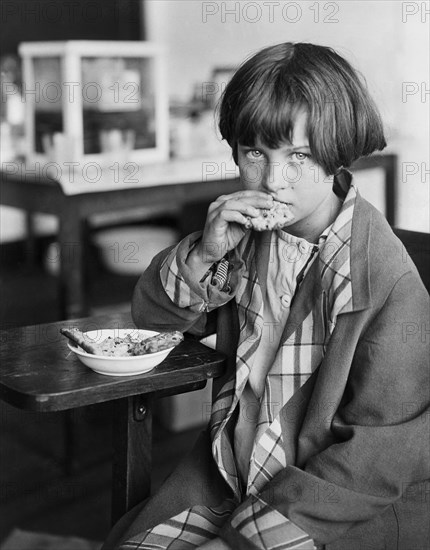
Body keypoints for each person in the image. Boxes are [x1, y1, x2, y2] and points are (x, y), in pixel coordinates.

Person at [103, 42, 429, 550]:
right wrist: (203, 256)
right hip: (231, 472)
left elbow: (381, 454)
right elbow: (151, 320)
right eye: (256, 153)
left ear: (338, 150)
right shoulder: (241, 238)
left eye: (299, 155)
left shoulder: (384, 277)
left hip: (331, 502)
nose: (275, 181)